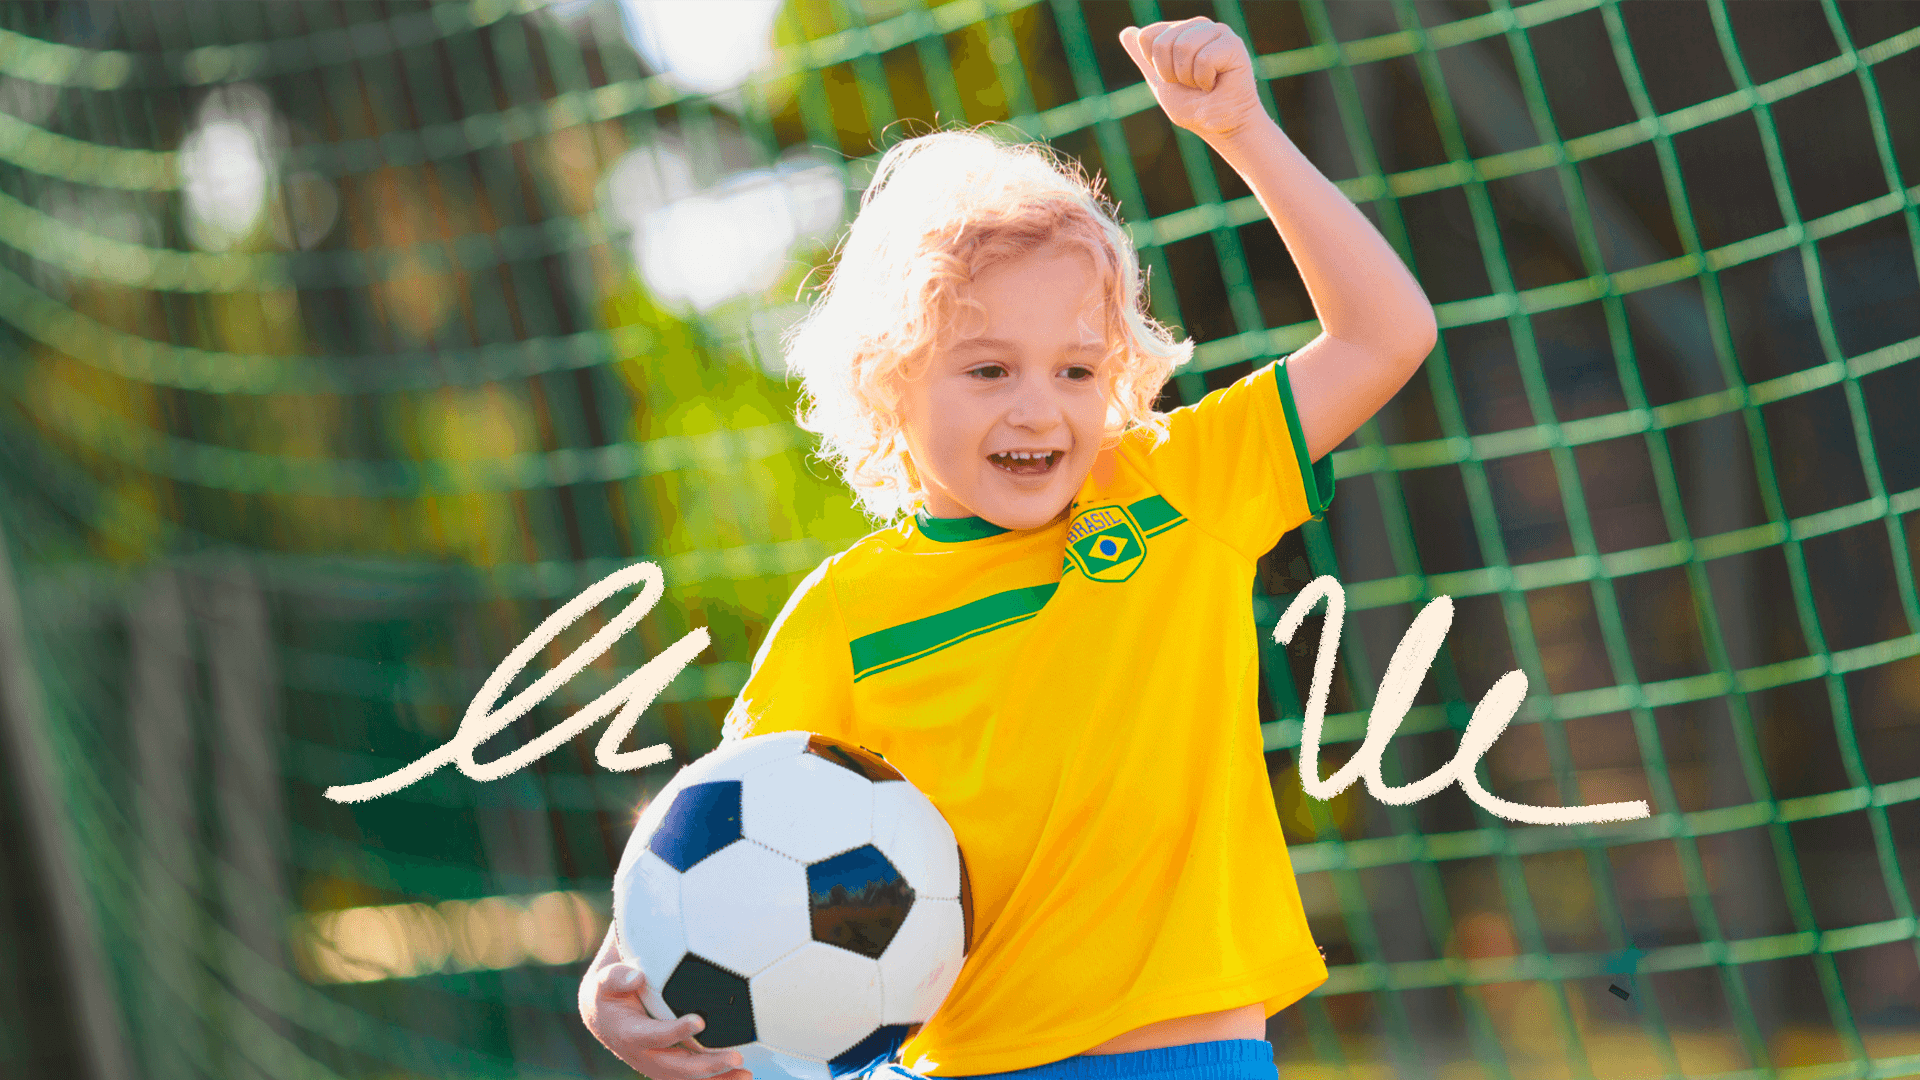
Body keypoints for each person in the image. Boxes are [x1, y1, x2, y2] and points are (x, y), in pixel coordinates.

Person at [579, 16, 1436, 1080]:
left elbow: (1385, 334)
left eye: (1077, 371)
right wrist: (619, 975)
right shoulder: (847, 614)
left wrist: (1242, 129)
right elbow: (718, 835)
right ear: (890, 384)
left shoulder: (1178, 487)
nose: (1040, 410)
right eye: (989, 371)